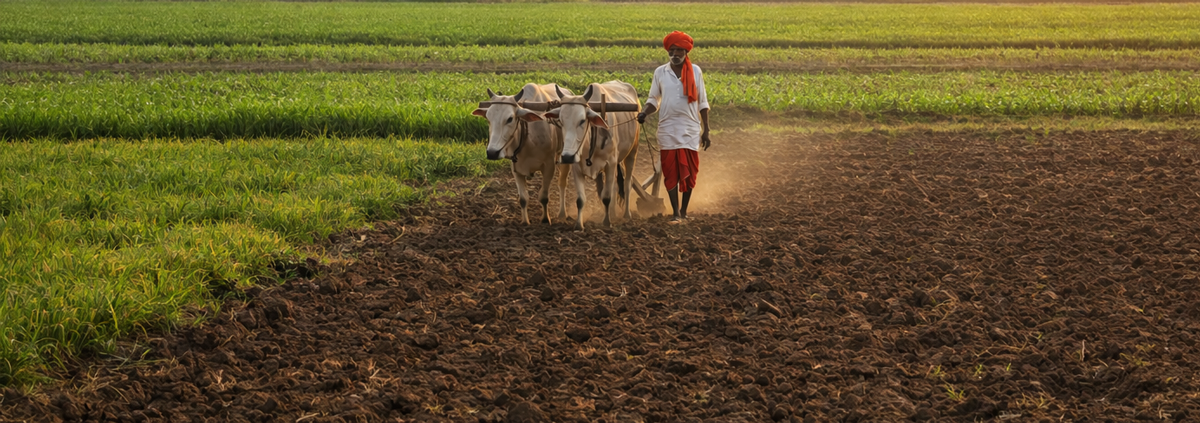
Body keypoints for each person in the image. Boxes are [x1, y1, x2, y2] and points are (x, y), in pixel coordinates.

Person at [637, 30, 711, 223]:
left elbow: (702, 101)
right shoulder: (660, 72)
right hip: (668, 128)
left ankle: (684, 212)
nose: (675, 54)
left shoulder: (695, 71)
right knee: (670, 171)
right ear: (667, 51)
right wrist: (644, 112)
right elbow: (654, 99)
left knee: (690, 171)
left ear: (686, 52)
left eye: (679, 50)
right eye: (672, 50)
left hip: (690, 128)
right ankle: (676, 213)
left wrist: (707, 131)